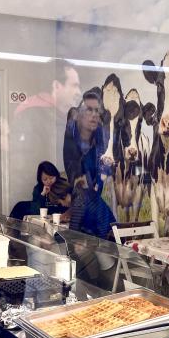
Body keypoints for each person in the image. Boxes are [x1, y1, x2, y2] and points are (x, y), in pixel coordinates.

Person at [63, 89, 116, 239]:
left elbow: (93, 188)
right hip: (93, 222)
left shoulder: (102, 143)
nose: (94, 115)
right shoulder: (73, 140)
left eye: (97, 111)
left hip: (102, 226)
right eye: (89, 110)